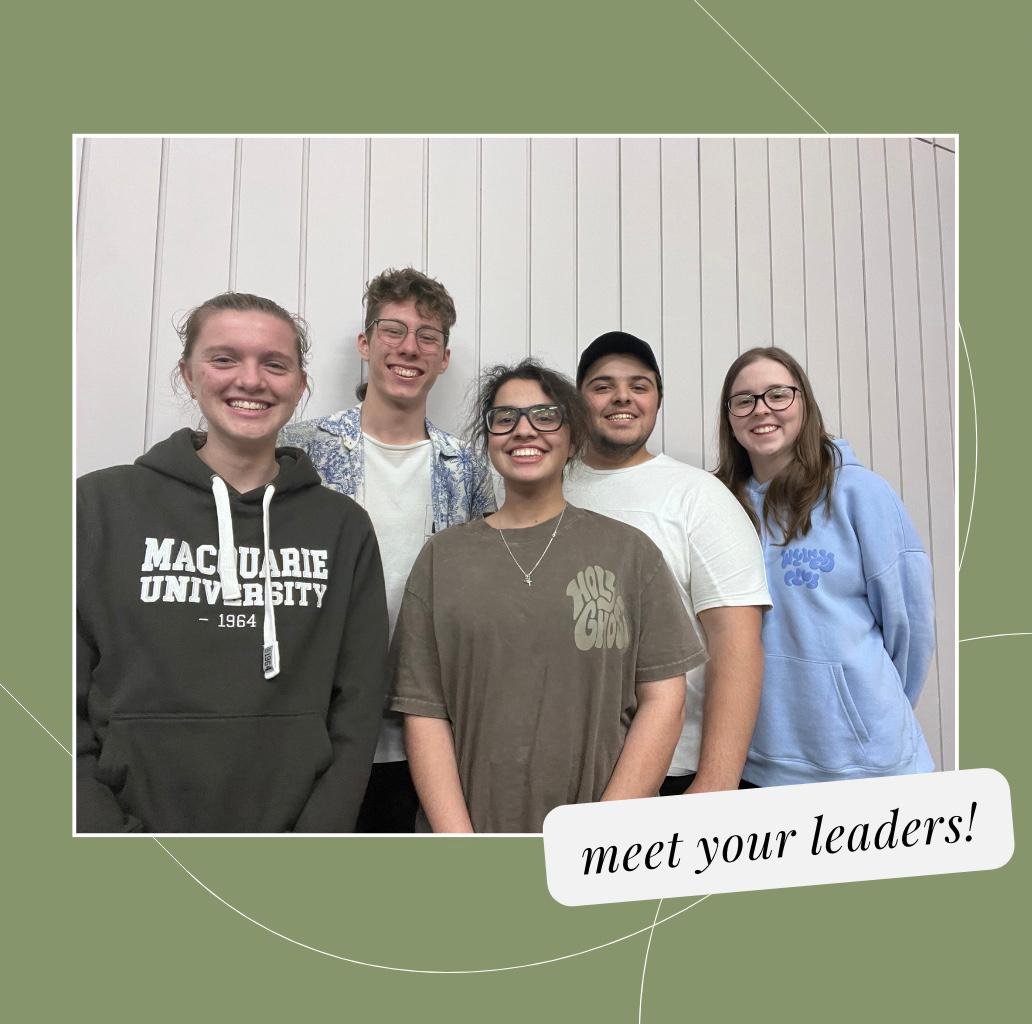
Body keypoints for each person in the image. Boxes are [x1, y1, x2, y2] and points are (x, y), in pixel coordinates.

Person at [76, 292, 389, 833]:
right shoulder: (96, 507)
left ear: (300, 384)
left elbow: (357, 712)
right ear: (188, 375)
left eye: (275, 363)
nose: (251, 380)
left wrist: (314, 843)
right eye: (224, 359)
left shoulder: (343, 527)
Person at [389, 359, 707, 833]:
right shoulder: (443, 557)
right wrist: (460, 845)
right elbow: (423, 711)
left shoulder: (629, 553)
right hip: (469, 840)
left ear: (574, 437)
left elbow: (664, 700)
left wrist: (601, 835)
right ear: (490, 438)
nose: (524, 430)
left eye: (545, 416)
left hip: (602, 842)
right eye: (505, 418)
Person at [280, 268, 495, 832]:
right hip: (312, 722)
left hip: (419, 729)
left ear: (444, 358)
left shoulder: (466, 466)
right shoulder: (301, 452)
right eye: (393, 329)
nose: (409, 347)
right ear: (365, 342)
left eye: (428, 336)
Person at [716, 346, 935, 785]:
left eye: (778, 394)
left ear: (804, 403)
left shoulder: (860, 494)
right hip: (759, 761)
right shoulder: (718, 503)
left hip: (866, 762)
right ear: (730, 417)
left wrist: (861, 708)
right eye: (744, 400)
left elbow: (909, 626)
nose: (762, 410)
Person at [565, 332, 770, 794]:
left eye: (640, 385)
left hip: (674, 770)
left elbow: (737, 643)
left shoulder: (699, 497)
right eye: (603, 385)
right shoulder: (541, 486)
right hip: (562, 764)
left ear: (658, 400)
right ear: (577, 401)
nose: (622, 396)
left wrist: (716, 781)